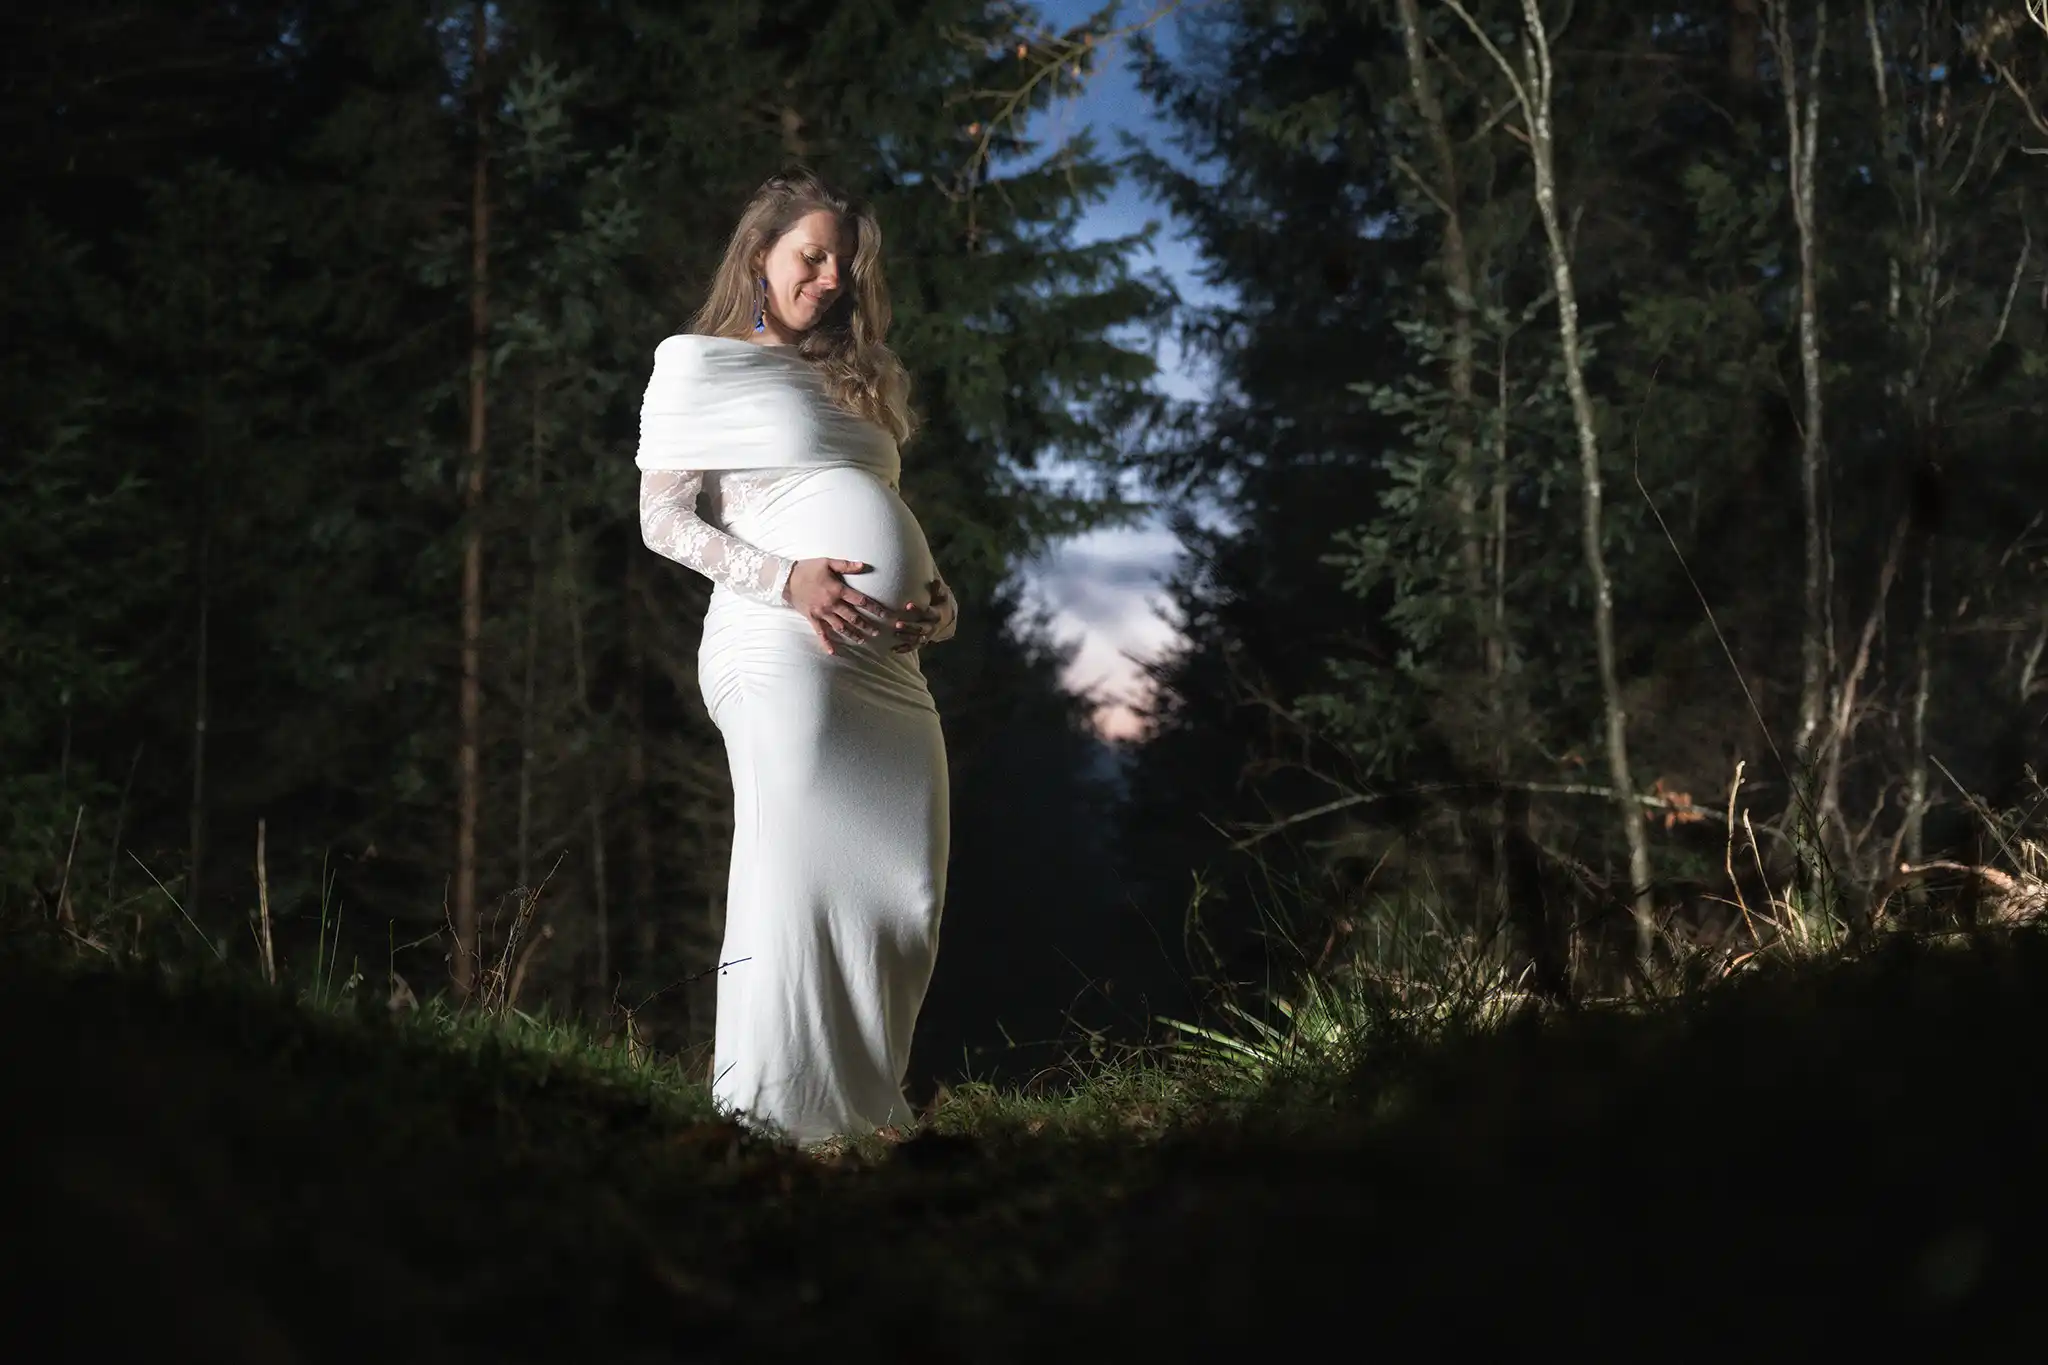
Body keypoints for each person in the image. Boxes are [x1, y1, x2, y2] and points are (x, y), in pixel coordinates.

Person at [635, 168, 957, 1147]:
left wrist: (937, 599)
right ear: (759, 255)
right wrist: (787, 581)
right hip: (779, 641)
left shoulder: (857, 378)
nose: (828, 279)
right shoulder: (700, 364)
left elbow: (879, 505)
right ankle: (772, 1121)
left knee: (903, 890)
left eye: (843, 266)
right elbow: (662, 520)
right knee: (795, 876)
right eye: (811, 257)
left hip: (885, 667)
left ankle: (863, 1117)